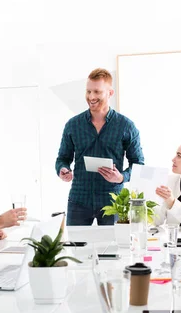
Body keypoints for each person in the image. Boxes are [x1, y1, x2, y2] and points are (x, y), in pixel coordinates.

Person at [55, 68, 144, 226]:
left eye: (97, 91)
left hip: (112, 202)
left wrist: (121, 177)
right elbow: (63, 158)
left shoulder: (126, 126)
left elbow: (138, 164)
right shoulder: (73, 125)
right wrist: (62, 169)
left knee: (112, 250)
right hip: (78, 200)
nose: (91, 97)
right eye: (88, 91)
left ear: (110, 93)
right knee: (76, 249)